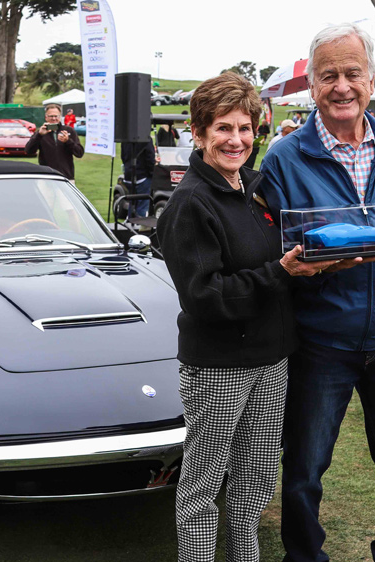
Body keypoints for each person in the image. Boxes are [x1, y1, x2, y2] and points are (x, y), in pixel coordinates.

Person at [260, 23, 375, 562]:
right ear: (311, 84)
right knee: (305, 467)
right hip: (322, 342)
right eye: (328, 75)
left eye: (352, 73)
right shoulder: (283, 159)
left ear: (371, 79)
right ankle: (304, 556)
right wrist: (307, 265)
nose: (342, 86)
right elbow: (273, 253)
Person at [157, 71, 335, 562]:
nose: (237, 140)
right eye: (223, 129)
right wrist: (279, 272)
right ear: (198, 133)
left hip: (271, 360)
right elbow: (206, 298)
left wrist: (323, 257)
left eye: (245, 128)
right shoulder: (190, 203)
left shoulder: (254, 189)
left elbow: (282, 260)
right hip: (218, 367)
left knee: (256, 479)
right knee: (203, 484)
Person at [25, 103, 85, 180]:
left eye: (56, 116)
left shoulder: (69, 131)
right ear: (46, 117)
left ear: (60, 117)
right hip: (47, 177)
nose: (53, 118)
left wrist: (68, 141)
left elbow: (79, 153)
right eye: (51, 116)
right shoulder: (41, 132)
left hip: (66, 177)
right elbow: (28, 151)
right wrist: (39, 135)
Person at [120, 139, 155, 218]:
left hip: (128, 175)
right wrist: (152, 174)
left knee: (132, 204)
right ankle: (139, 226)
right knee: (142, 206)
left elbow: (123, 157)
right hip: (142, 176)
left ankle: (130, 223)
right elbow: (150, 159)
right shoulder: (146, 139)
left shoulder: (126, 138)